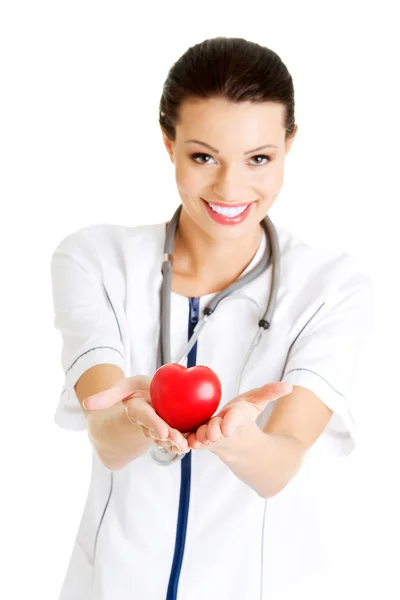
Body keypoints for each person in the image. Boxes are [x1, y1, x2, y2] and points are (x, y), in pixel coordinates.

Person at [50, 37, 375, 600]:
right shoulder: (94, 261)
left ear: (289, 146)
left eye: (259, 159)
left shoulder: (331, 287)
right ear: (168, 142)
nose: (230, 188)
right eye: (204, 156)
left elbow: (278, 466)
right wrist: (138, 414)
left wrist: (233, 438)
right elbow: (107, 440)